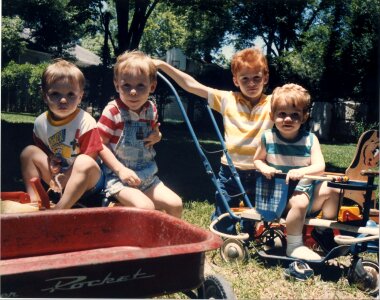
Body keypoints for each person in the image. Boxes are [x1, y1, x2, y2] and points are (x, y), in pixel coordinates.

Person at [154, 48, 274, 233]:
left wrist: (287, 90)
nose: (251, 83)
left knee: (256, 214)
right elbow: (191, 85)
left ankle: (250, 234)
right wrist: (163, 65)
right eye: (245, 79)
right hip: (230, 170)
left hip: (261, 170)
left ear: (265, 78)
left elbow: (296, 99)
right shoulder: (227, 99)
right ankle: (223, 235)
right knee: (224, 210)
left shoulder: (274, 103)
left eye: (256, 78)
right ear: (236, 80)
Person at [253, 83, 339, 260]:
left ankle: (322, 231)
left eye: (295, 115)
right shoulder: (268, 138)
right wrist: (265, 167)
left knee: (333, 189)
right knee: (300, 202)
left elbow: (320, 167)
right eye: (282, 114)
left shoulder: (310, 139)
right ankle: (294, 246)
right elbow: (257, 160)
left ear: (304, 117)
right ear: (272, 115)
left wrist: (301, 171)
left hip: (305, 191)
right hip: (277, 197)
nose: (288, 119)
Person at [97, 50, 183, 218]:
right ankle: (143, 243)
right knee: (146, 208)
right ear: (117, 85)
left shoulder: (151, 109)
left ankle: (168, 242)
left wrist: (157, 136)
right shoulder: (113, 111)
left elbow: (154, 131)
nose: (133, 92)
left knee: (176, 204)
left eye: (140, 86)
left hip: (147, 176)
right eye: (126, 86)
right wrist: (120, 170)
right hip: (118, 178)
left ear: (152, 86)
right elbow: (99, 144)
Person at [20, 59, 104, 209]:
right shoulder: (41, 123)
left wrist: (66, 177)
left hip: (88, 182)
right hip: (58, 178)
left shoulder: (86, 122)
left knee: (83, 161)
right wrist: (52, 160)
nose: (63, 100)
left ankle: (60, 209)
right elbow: (45, 152)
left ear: (80, 96)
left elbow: (90, 158)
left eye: (71, 94)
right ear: (45, 95)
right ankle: (35, 202)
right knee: (28, 153)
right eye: (55, 94)